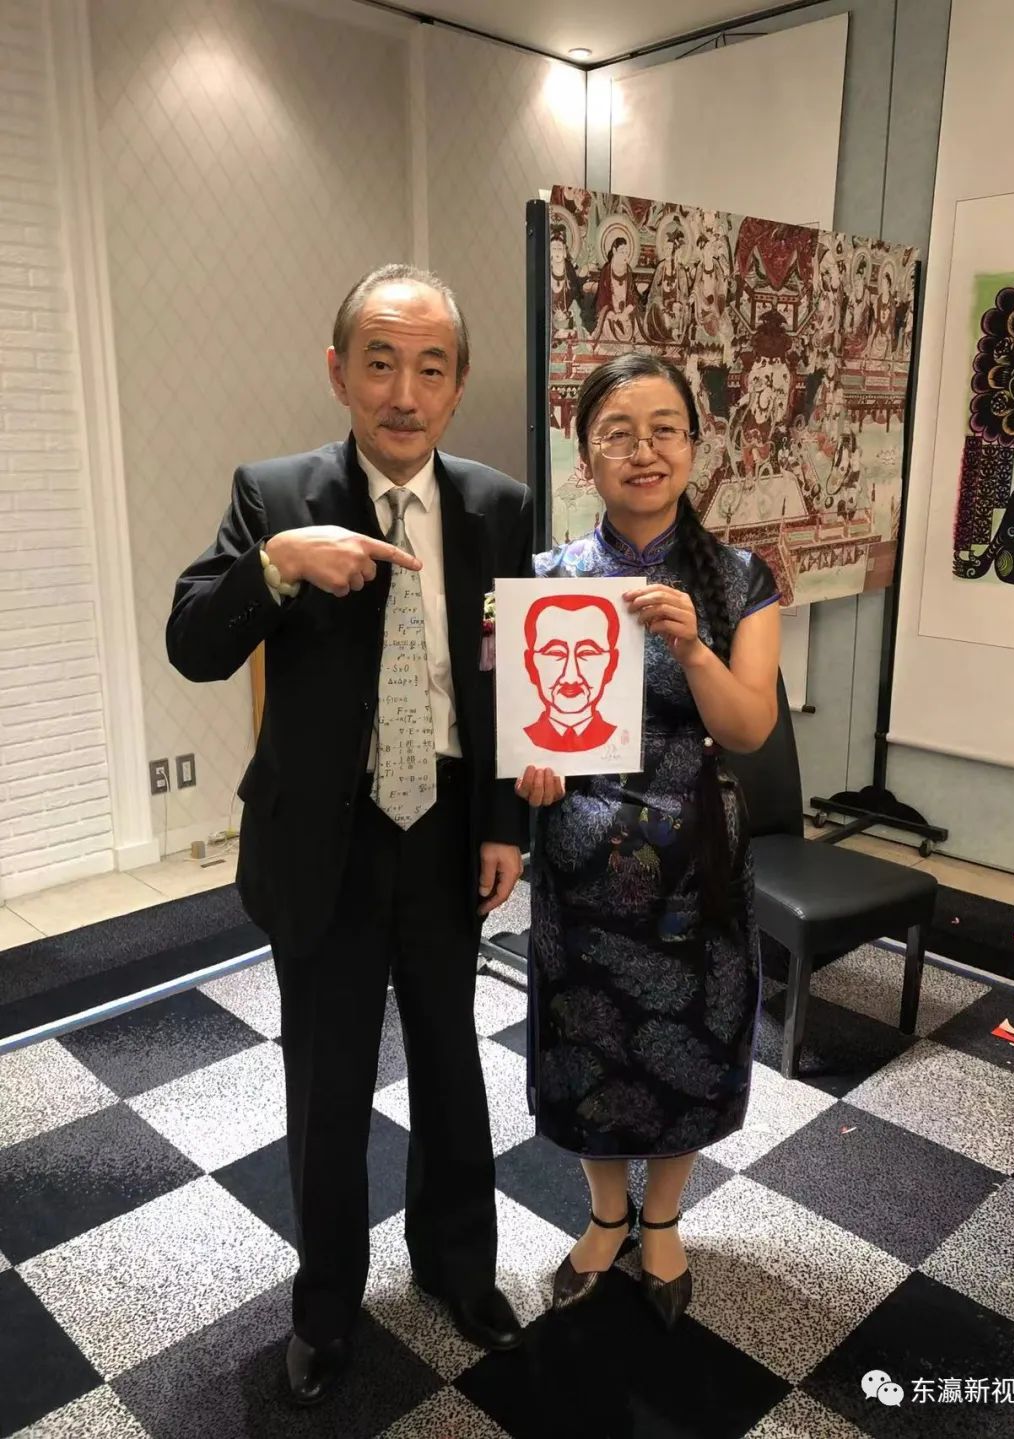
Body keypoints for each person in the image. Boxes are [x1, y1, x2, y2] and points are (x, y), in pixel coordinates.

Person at [166, 265, 532, 1405]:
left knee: (452, 1063)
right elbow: (193, 642)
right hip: (323, 842)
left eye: (430, 367)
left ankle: (456, 1266)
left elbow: (509, 676)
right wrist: (277, 567)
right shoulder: (274, 493)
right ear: (339, 371)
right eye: (379, 362)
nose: (403, 393)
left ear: (458, 384)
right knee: (326, 1083)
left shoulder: (500, 508)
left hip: (447, 831)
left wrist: (507, 822)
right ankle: (326, 1304)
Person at [515, 353, 781, 1331]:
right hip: (580, 861)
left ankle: (661, 1218)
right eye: (618, 433)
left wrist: (693, 645)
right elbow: (525, 727)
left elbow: (748, 727)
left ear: (694, 446)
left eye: (665, 428)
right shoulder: (547, 578)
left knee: (692, 1041)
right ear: (585, 454)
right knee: (586, 1040)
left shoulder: (740, 577)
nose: (644, 450)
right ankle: (604, 1213)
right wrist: (530, 768)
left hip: (694, 860)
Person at [522, 593, 620, 753]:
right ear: (530, 664)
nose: (571, 677)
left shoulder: (618, 739)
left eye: (587, 653)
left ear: (612, 664)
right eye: (555, 653)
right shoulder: (519, 741)